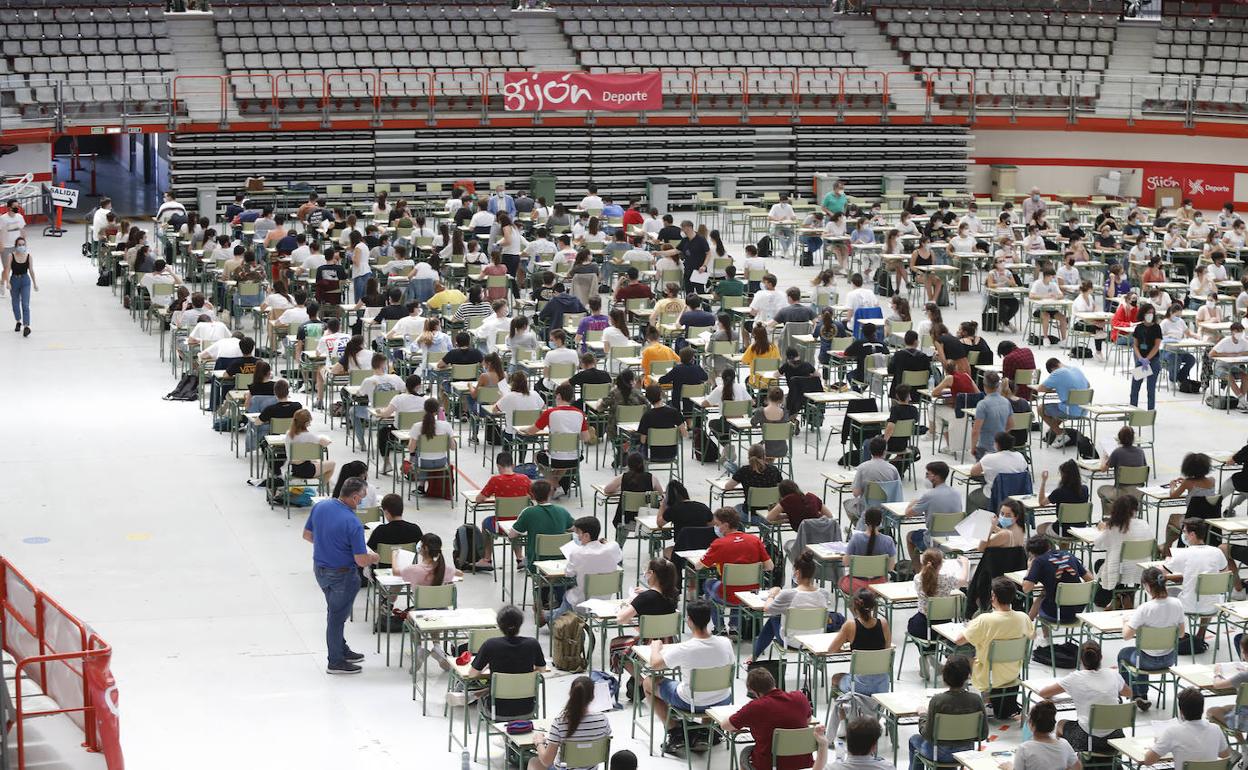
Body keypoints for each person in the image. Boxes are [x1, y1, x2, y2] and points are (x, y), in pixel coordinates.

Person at [302, 477, 378, 674]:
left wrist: (328, 547)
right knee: (336, 618)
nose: (361, 501)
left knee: (334, 612)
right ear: (353, 497)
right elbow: (361, 560)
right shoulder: (352, 522)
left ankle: (341, 648)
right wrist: (372, 557)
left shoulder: (321, 506)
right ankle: (335, 660)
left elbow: (308, 535)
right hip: (342, 575)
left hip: (320, 570)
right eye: (361, 498)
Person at [642, 599, 735, 757]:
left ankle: (674, 730)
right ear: (709, 619)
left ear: (689, 621)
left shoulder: (685, 648)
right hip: (723, 700)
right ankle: (705, 732)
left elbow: (655, 664)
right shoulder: (725, 643)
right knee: (706, 685)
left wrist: (655, 648)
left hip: (692, 703)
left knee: (648, 682)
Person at [951, 576, 1035, 719]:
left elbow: (959, 641)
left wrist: (972, 627)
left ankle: (971, 701)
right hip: (1013, 673)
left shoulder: (984, 620)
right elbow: (1032, 636)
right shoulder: (1023, 617)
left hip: (988, 675)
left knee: (959, 657)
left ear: (993, 596)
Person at [1032, 641, 1130, 754]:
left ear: (1080, 659)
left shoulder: (1075, 678)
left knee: (1060, 724)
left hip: (1086, 741)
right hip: (1116, 740)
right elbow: (1128, 693)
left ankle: (1066, 760)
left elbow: (1044, 693)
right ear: (1101, 657)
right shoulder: (1113, 675)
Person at [692, 507, 773, 634]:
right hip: (751, 594)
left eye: (717, 524)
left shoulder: (719, 544)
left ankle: (719, 627)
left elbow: (698, 566)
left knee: (707, 584)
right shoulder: (755, 540)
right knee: (738, 586)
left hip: (727, 594)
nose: (716, 527)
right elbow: (770, 566)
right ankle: (734, 627)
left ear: (725, 525)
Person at [718, 667, 817, 770]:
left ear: (754, 691)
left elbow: (726, 725)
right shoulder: (800, 697)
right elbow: (807, 721)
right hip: (803, 761)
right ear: (773, 682)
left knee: (746, 752)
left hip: (770, 764)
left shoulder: (755, 707)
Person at [748, 549, 834, 663]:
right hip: (815, 639)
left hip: (793, 641)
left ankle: (754, 656)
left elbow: (768, 609)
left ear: (797, 573)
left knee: (773, 618)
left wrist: (772, 595)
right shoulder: (824, 593)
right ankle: (754, 656)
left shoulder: (788, 594)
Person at [907, 654, 987, 770]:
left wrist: (922, 715)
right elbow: (983, 734)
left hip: (938, 754)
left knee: (914, 740)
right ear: (968, 676)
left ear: (945, 677)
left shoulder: (937, 701)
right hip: (966, 753)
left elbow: (928, 735)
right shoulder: (976, 700)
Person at [468, 605, 547, 718]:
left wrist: (488, 671)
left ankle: (481, 692)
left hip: (497, 712)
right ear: (520, 624)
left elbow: (472, 674)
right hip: (528, 710)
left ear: (499, 625)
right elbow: (541, 670)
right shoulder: (532, 644)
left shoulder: (490, 645)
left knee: (483, 699)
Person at [510, 481, 575, 617]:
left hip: (537, 563)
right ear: (551, 492)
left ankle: (542, 598)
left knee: (530, 561)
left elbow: (513, 534)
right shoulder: (562, 511)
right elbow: (573, 527)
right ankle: (557, 597)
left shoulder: (528, 512)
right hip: (562, 563)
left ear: (532, 495)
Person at [548, 516, 623, 624]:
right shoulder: (612, 548)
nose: (577, 537)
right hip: (607, 599)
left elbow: (569, 573)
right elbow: (618, 556)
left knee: (567, 595)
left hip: (585, 602)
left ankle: (550, 618)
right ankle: (547, 616)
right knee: (571, 596)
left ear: (586, 535)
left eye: (578, 533)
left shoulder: (577, 553)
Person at [528, 675, 612, 770]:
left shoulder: (560, 722)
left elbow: (546, 761)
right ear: (592, 697)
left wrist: (539, 742)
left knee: (533, 762)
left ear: (570, 694)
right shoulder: (603, 719)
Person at [1165, 518, 1228, 642]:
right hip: (1214, 606)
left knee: (1169, 591)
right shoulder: (1217, 552)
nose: (1183, 535)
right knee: (1208, 593)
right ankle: (1201, 633)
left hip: (1189, 605)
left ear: (1192, 534)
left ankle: (1176, 634)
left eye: (1184, 532)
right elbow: (1225, 573)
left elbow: (1163, 572)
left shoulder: (1183, 554)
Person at [910, 548, 970, 676]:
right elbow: (964, 580)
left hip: (923, 627)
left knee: (911, 624)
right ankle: (931, 657)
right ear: (941, 564)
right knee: (936, 634)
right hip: (944, 628)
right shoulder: (947, 579)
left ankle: (926, 655)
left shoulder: (917, 579)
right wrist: (965, 563)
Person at [1142, 688, 1230, 770]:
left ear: (1181, 712)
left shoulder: (1172, 732)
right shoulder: (1216, 729)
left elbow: (1148, 761)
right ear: (1202, 709)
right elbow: (1225, 755)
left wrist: (1159, 743)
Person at [473, 452, 533, 571]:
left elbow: (479, 499)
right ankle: (520, 558)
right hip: (521, 525)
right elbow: (534, 496)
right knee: (516, 522)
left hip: (500, 526)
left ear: (498, 466)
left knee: (485, 523)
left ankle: (487, 559)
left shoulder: (495, 480)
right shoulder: (525, 479)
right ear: (513, 465)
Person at [1022, 535, 1092, 626]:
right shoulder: (1069, 555)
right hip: (1078, 609)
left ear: (1031, 553)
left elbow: (1026, 588)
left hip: (1056, 612)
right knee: (1044, 594)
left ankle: (1043, 636)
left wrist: (1029, 568)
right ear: (1049, 546)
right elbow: (1090, 580)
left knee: (1043, 598)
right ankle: (1028, 623)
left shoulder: (1039, 561)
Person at [1161, 452, 1219, 556]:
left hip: (1192, 522)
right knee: (1177, 524)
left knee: (1172, 519)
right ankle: (1168, 547)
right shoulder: (1212, 481)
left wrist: (1172, 486)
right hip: (1209, 522)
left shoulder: (1187, 483)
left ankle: (1167, 551)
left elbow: (1173, 495)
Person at [904, 461, 964, 562]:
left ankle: (918, 570)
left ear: (936, 477)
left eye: (928, 474)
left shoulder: (929, 495)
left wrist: (913, 502)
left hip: (934, 542)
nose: (926, 477)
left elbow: (908, 513)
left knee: (910, 535)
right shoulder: (956, 493)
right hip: (954, 539)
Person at [966, 432, 1029, 512]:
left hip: (994, 497)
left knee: (972, 497)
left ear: (997, 444)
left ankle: (974, 523)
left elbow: (973, 472)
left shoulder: (989, 458)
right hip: (1016, 497)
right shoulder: (1020, 456)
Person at [1011, 700, 1080, 770]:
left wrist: (1008, 767)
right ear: (1053, 725)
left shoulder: (1024, 748)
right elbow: (1078, 767)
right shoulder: (1064, 744)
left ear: (1031, 724)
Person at [845, 437, 901, 524]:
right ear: (885, 451)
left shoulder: (863, 468)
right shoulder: (893, 469)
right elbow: (898, 492)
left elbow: (856, 493)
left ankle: (860, 526)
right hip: (888, 510)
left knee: (847, 503)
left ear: (870, 451)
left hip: (868, 509)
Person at [1036, 358, 1090, 447]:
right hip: (1084, 410)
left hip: (1071, 411)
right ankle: (1052, 433)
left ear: (1052, 369)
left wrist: (1054, 387)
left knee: (1041, 408)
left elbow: (1041, 388)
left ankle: (1061, 434)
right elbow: (1088, 385)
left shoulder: (1058, 373)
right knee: (1060, 407)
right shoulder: (1076, 369)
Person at [367, 493, 424, 566]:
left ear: (386, 512)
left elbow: (369, 551)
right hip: (406, 569)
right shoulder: (415, 529)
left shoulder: (380, 530)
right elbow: (422, 549)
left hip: (381, 571)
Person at [971, 371, 1012, 461]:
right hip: (1000, 446)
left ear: (984, 386)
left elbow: (975, 431)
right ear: (998, 386)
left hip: (985, 447)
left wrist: (973, 447)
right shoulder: (1006, 402)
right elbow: (1010, 425)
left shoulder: (983, 404)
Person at [1130, 302, 1164, 410]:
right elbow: (1135, 345)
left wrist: (1147, 359)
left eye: (1152, 313)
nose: (1150, 315)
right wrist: (1140, 358)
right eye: (1148, 313)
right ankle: (1132, 410)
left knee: (1151, 388)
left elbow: (1156, 346)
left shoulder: (1157, 328)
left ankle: (1150, 412)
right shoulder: (1138, 328)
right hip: (1141, 360)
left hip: (1152, 360)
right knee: (1135, 388)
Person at [767, 478, 834, 532]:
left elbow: (769, 518)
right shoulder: (812, 497)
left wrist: (787, 517)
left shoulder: (788, 500)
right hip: (818, 532)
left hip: (802, 534)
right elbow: (829, 516)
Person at [1211, 321, 1248, 410]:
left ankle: (1241, 403)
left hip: (1234, 366)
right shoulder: (1225, 341)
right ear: (1232, 332)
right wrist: (1227, 355)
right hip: (1221, 366)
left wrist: (1240, 353)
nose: (1239, 333)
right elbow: (1211, 354)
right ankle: (1242, 399)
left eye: (1241, 331)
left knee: (1245, 376)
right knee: (1229, 376)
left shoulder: (1244, 342)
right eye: (1237, 331)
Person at [7, 236, 35, 336]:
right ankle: (18, 321)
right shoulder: (11, 256)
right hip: (14, 280)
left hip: (25, 281)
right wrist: (7, 282)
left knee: (25, 304)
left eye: (23, 245)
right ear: (16, 246)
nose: (21, 246)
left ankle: (26, 326)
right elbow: (7, 269)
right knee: (15, 303)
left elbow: (31, 270)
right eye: (19, 245)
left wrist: (35, 283)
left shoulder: (28, 256)